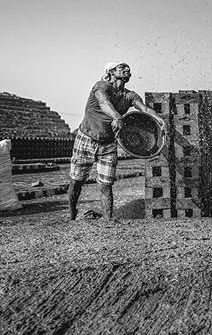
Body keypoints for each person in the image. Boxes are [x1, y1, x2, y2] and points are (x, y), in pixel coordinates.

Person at [68, 62, 166, 221]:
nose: (127, 70)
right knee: (76, 181)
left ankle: (108, 221)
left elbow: (145, 109)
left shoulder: (130, 95)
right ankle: (71, 215)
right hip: (86, 138)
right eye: (122, 68)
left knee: (106, 185)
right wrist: (117, 116)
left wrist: (159, 119)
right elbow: (104, 103)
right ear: (111, 72)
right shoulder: (101, 86)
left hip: (108, 143)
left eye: (129, 69)